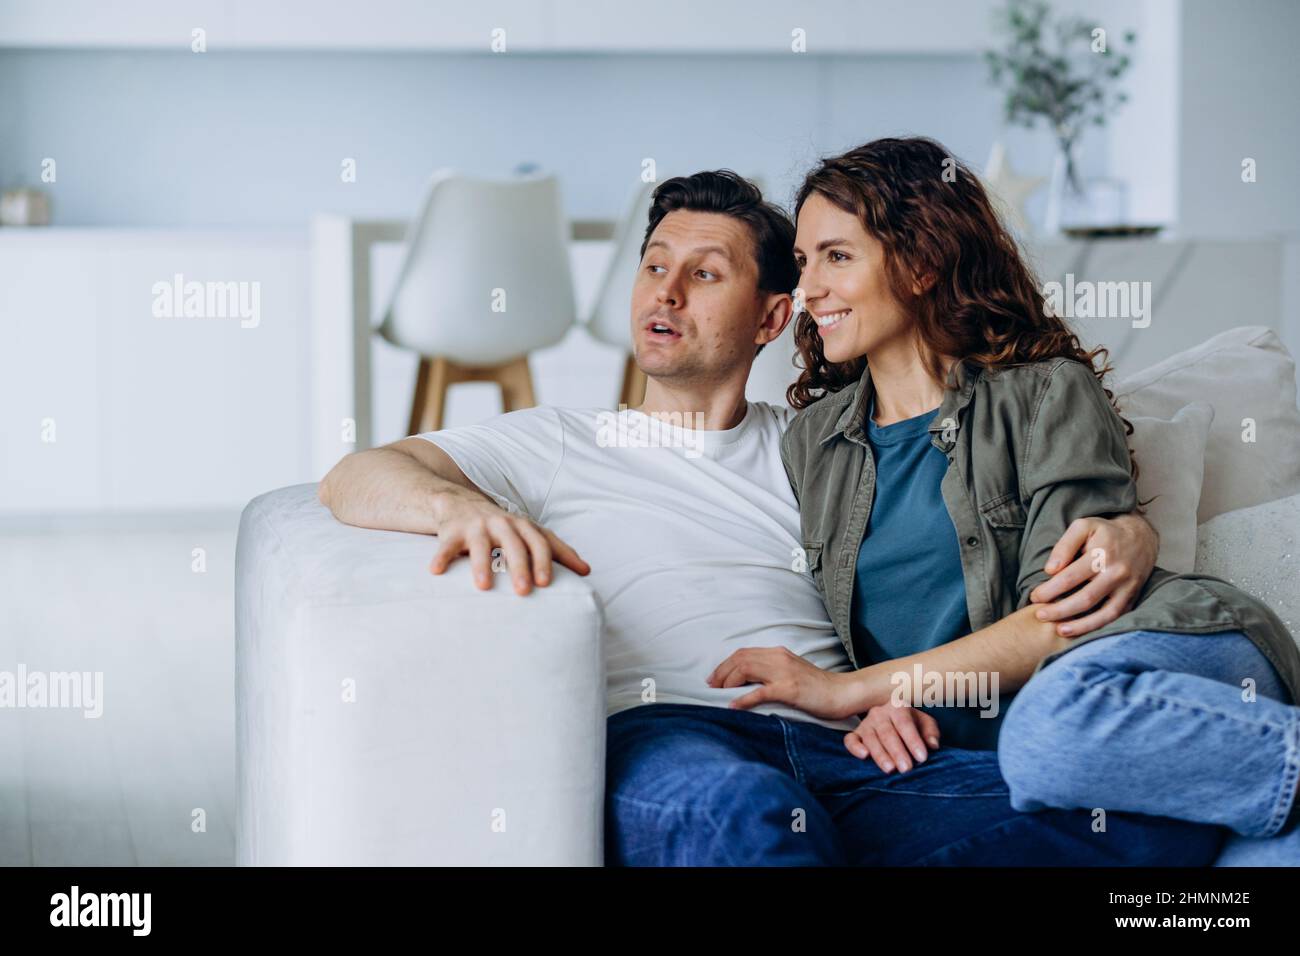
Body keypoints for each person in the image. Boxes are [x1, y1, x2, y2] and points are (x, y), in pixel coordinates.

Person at [319, 169, 1221, 865]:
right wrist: (455, 505)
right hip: (675, 730)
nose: (664, 293)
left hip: (858, 743)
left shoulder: (827, 448)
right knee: (739, 818)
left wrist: (1126, 529)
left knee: (1135, 819)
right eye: (654, 266)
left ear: (771, 316)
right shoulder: (558, 442)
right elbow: (353, 478)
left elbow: (964, 547)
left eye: (704, 274)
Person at [708, 137, 1300, 865]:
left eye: (837, 256)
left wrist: (847, 690)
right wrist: (882, 703)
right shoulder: (813, 442)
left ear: (921, 262)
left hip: (1149, 661)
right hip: (1045, 762)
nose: (811, 290)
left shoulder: (1044, 390)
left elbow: (1059, 625)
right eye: (803, 263)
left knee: (1051, 731)